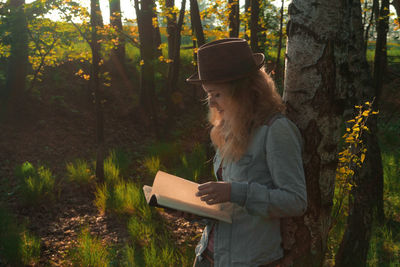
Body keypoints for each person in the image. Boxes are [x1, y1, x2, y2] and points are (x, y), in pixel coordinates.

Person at [185, 38, 307, 267]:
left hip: (249, 260)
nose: (211, 103)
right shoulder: (228, 128)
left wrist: (235, 192)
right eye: (208, 94)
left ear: (242, 91)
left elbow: (295, 201)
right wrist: (196, 210)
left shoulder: (275, 130)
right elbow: (231, 204)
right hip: (208, 256)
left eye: (216, 94)